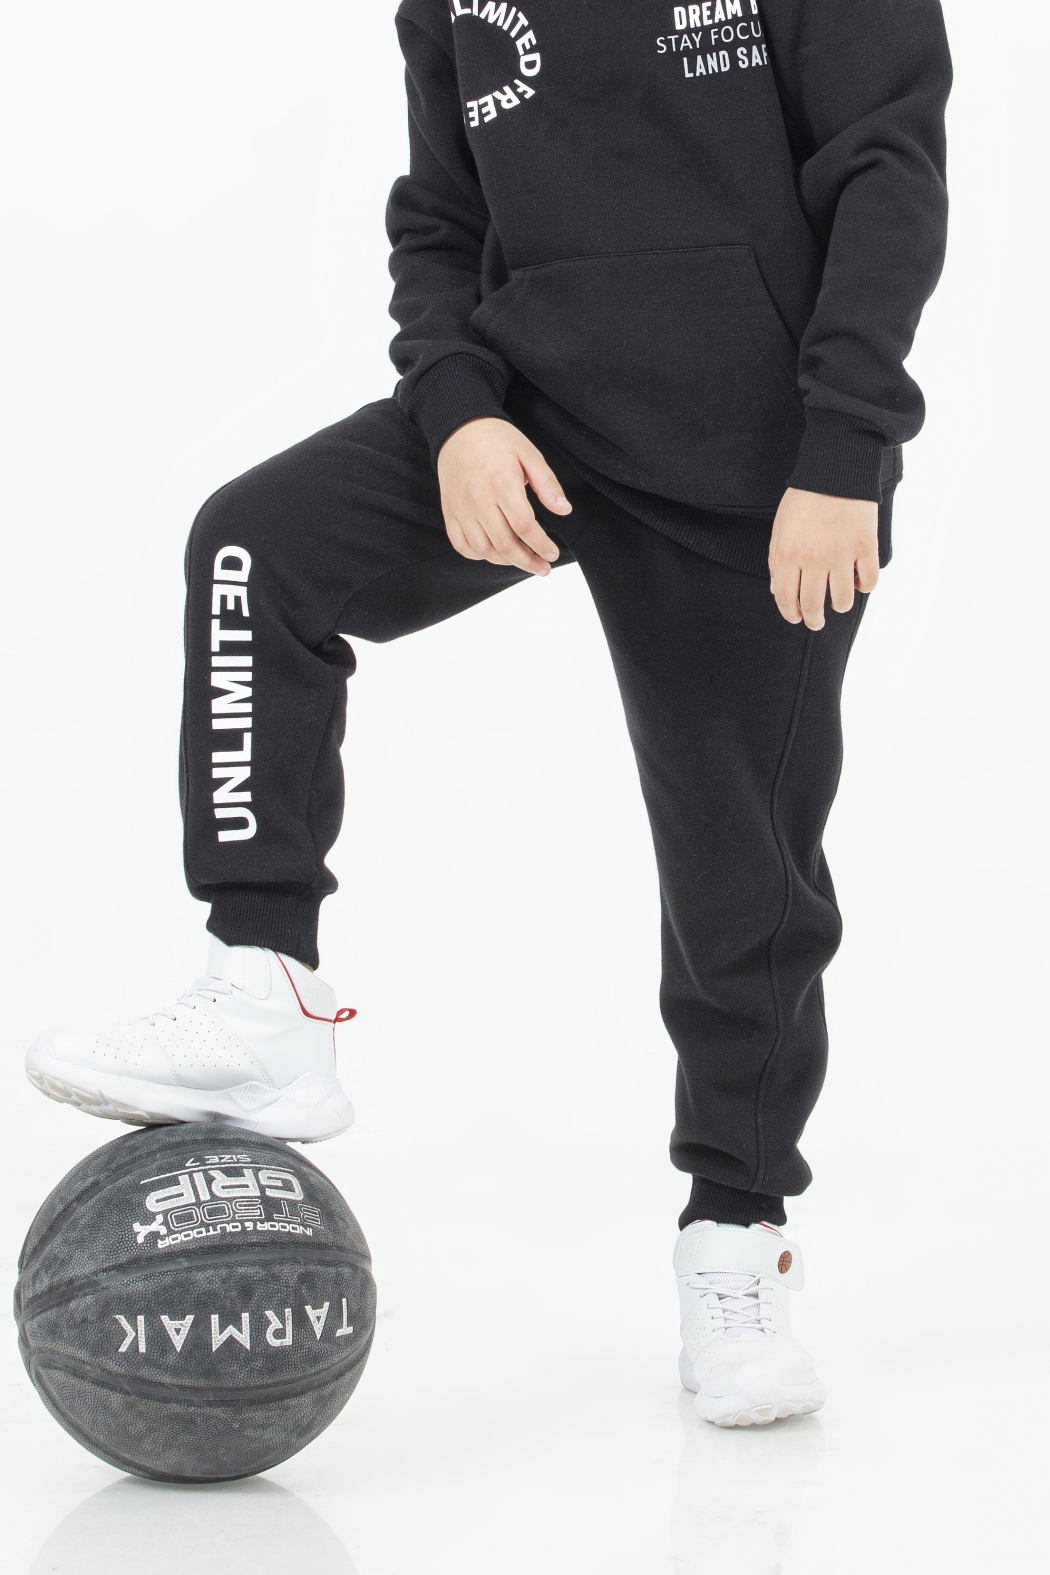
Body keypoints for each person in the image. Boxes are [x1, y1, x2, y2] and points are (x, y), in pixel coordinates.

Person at [25, 0, 951, 1427]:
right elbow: (441, 217)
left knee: (744, 876)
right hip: (535, 421)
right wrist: (456, 408)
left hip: (759, 465)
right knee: (256, 547)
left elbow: (886, 166)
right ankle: (265, 986)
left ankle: (735, 1240)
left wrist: (844, 446)